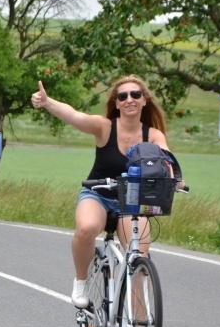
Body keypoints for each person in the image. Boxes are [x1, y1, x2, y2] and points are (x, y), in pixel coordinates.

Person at [31, 75, 184, 309]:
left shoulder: (153, 135)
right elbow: (75, 116)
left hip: (132, 202)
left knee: (139, 254)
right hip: (98, 193)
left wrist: (174, 179)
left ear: (144, 101)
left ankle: (140, 326)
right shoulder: (104, 127)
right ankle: (81, 280)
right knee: (86, 228)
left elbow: (166, 160)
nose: (129, 100)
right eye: (123, 96)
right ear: (116, 103)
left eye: (135, 95)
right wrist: (47, 101)